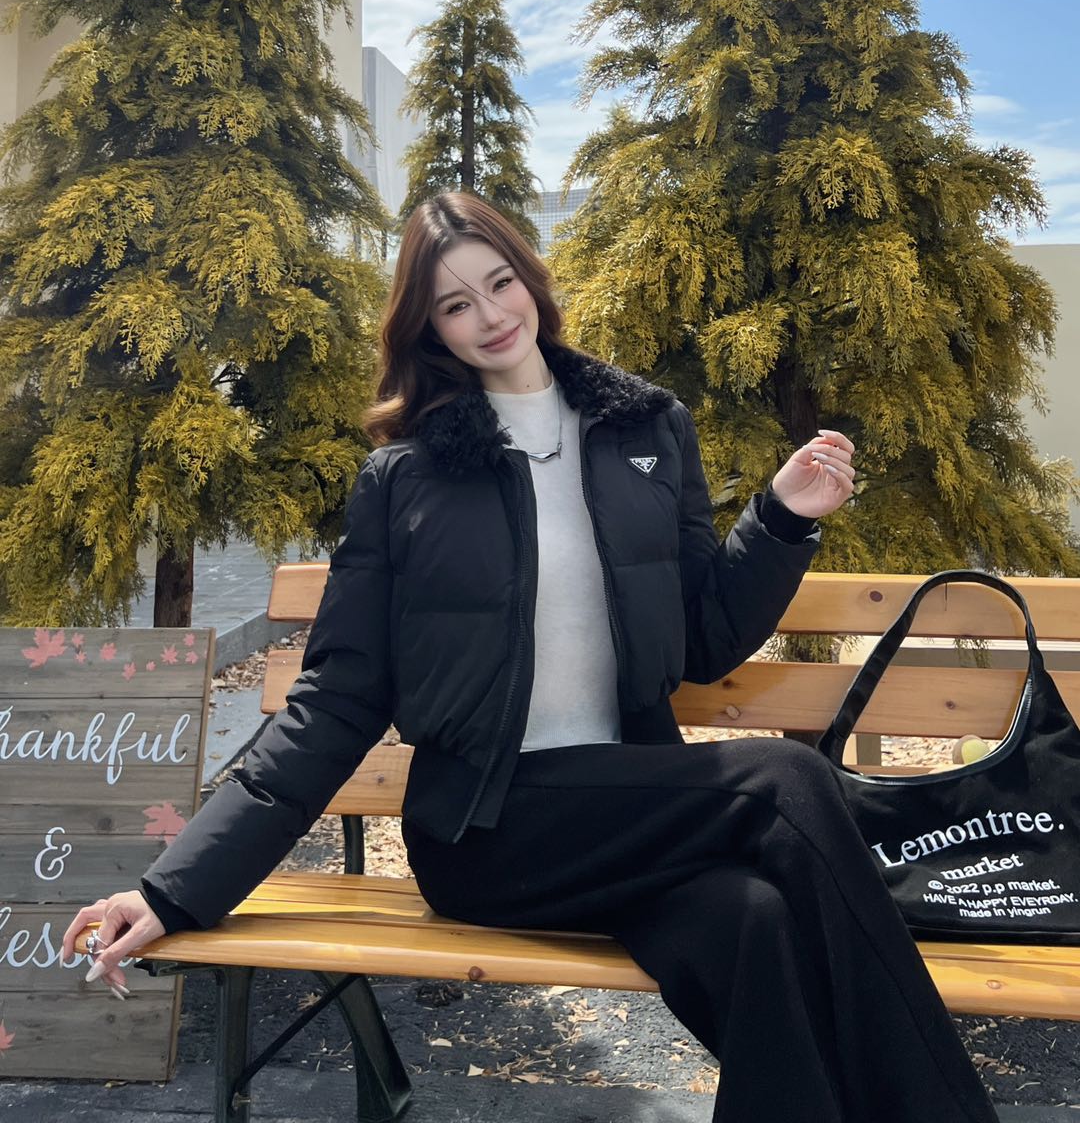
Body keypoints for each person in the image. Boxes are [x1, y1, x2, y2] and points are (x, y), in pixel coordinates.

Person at [63, 192, 996, 1122]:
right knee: (787, 781)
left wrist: (781, 521)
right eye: (455, 304)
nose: (489, 315)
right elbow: (337, 697)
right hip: (490, 829)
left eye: (499, 283)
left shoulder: (647, 430)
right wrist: (174, 889)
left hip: (636, 811)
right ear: (430, 328)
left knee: (751, 923)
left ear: (531, 281)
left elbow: (703, 638)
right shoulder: (408, 477)